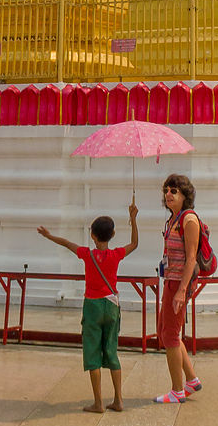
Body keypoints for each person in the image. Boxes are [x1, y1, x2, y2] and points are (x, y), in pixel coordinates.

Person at [37, 201, 138, 413]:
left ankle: (98, 403)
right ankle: (119, 400)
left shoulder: (87, 254)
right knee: (111, 352)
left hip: (92, 306)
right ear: (112, 235)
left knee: (92, 353)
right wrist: (134, 218)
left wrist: (48, 236)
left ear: (92, 235)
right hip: (111, 305)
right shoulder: (116, 254)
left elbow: (66, 243)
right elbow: (134, 244)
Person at [154, 173, 202, 404]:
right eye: (166, 190)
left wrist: (182, 290)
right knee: (165, 330)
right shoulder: (174, 219)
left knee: (170, 336)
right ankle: (191, 380)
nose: (169, 195)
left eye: (174, 191)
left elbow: (191, 257)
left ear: (185, 195)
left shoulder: (189, 220)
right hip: (170, 280)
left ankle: (176, 390)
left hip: (179, 283)